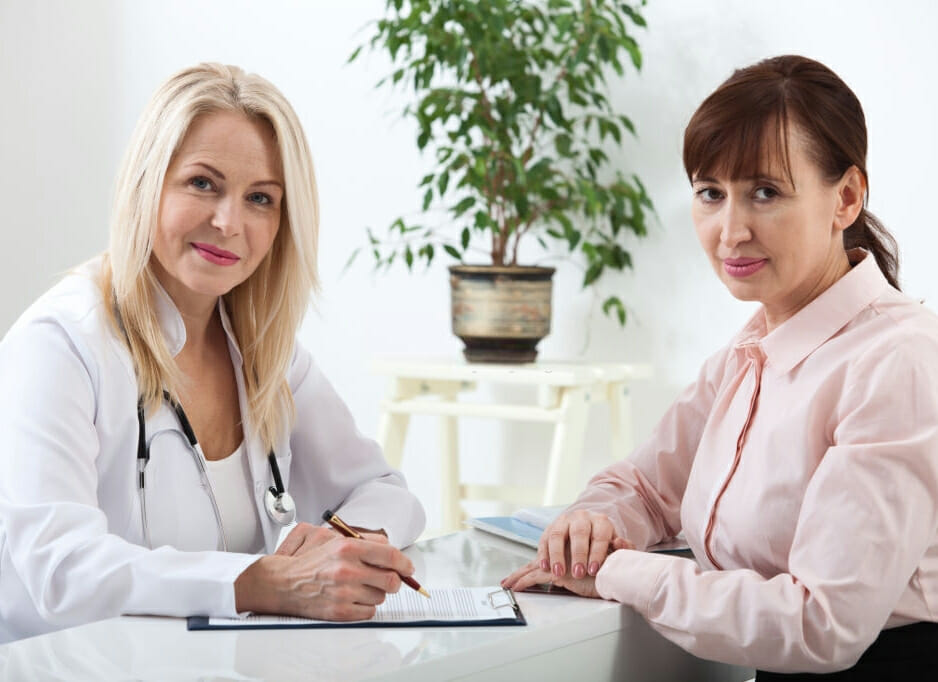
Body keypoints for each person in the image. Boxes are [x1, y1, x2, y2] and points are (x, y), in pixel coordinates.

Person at [503, 55, 938, 678]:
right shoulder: (754, 348)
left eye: (765, 192)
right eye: (711, 194)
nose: (729, 231)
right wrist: (591, 525)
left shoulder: (899, 363)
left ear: (845, 197)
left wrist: (616, 570)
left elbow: (821, 625)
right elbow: (647, 487)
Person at [0, 63, 425, 644]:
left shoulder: (264, 353)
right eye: (203, 183)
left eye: (260, 198)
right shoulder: (61, 343)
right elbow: (62, 568)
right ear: (148, 182)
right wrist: (260, 581)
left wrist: (350, 547)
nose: (229, 222)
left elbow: (386, 490)